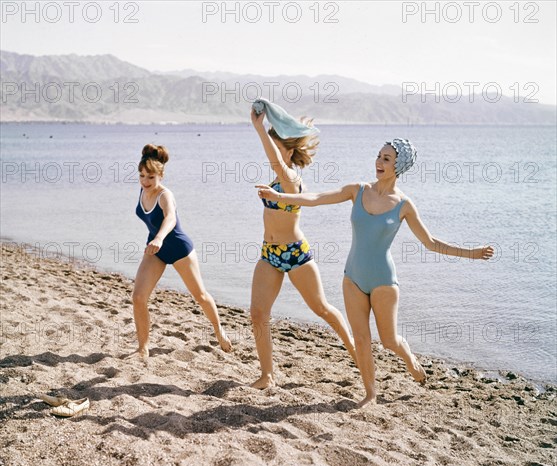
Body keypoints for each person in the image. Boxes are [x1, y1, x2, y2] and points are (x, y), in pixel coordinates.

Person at [256, 138, 494, 407]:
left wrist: (471, 253)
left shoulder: (404, 205)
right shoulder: (358, 190)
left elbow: (431, 243)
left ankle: (408, 357)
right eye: (379, 156)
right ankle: (370, 393)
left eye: (386, 159)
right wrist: (280, 197)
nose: (379, 162)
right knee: (362, 338)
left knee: (389, 340)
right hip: (353, 277)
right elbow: (318, 198)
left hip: (383, 280)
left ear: (398, 166)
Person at [250, 103, 357, 389]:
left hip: (295, 254)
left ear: (284, 148)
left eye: (273, 145)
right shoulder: (278, 178)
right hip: (269, 253)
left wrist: (259, 129)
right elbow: (274, 162)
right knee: (258, 313)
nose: (269, 150)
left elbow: (275, 161)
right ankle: (267, 375)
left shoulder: (291, 178)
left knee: (321, 308)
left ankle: (358, 353)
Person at [132, 144, 231, 359]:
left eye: (150, 177)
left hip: (178, 247)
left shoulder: (165, 195)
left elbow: (170, 218)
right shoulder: (143, 189)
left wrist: (159, 237)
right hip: (155, 248)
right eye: (141, 176)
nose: (145, 181)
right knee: (138, 297)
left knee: (200, 295)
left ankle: (219, 331)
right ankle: (143, 348)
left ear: (161, 175)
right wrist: (154, 240)